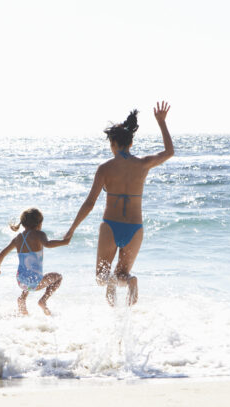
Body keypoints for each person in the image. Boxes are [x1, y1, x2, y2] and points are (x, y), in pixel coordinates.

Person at [65, 102, 174, 307]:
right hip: (135, 228)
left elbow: (89, 203)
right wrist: (161, 122)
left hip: (111, 226)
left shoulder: (105, 168)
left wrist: (72, 229)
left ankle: (113, 285)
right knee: (123, 274)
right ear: (130, 144)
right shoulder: (143, 164)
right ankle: (130, 282)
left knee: (101, 277)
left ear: (112, 144)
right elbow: (169, 152)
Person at [0, 208, 70, 315]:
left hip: (20, 281)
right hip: (35, 282)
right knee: (58, 277)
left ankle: (22, 298)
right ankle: (43, 300)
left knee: (28, 274)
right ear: (39, 223)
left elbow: (0, 256)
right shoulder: (39, 234)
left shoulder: (17, 238)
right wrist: (64, 242)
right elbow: (48, 244)